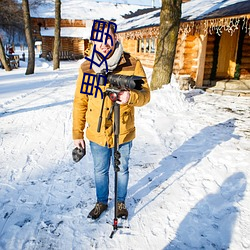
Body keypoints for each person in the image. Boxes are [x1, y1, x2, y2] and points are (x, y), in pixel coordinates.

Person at [72, 20, 150, 220]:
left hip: (123, 130)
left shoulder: (132, 64)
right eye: (100, 38)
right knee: (100, 170)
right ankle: (101, 202)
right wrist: (77, 134)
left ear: (115, 38)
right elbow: (80, 102)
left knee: (122, 169)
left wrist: (130, 97)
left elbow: (145, 95)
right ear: (94, 41)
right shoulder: (87, 68)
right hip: (97, 133)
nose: (104, 43)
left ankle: (121, 202)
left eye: (108, 37)